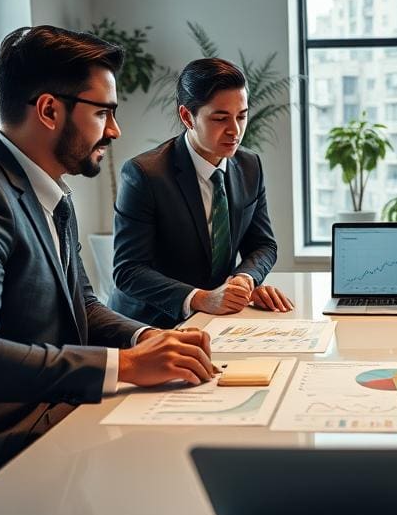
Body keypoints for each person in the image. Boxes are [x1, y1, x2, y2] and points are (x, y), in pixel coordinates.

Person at [0, 25, 217, 497]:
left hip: (39, 419)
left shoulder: (51, 192)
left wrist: (148, 337)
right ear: (50, 109)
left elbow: (82, 306)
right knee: (164, 486)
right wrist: (126, 365)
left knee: (184, 455)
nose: (115, 130)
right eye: (103, 113)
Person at [111, 57, 292, 328]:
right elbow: (128, 271)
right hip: (151, 325)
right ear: (187, 117)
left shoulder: (249, 165)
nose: (235, 130)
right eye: (220, 118)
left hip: (217, 321)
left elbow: (263, 244)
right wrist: (199, 298)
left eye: (241, 116)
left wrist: (245, 279)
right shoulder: (144, 174)